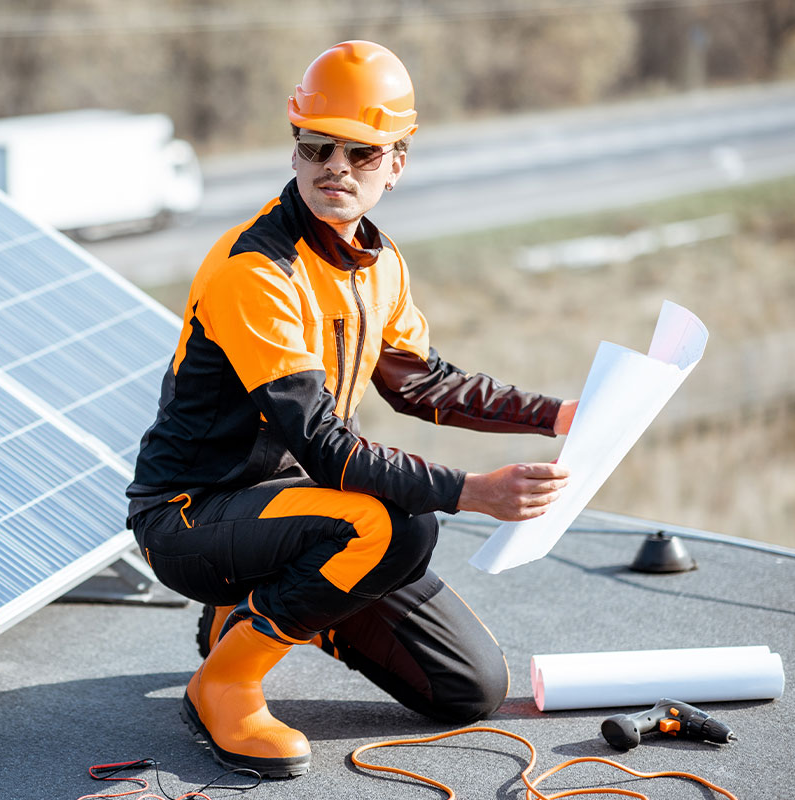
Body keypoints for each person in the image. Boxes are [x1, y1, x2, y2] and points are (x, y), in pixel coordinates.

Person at [125, 40, 576, 779]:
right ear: (296, 145)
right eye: (317, 145)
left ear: (396, 164)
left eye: (362, 153)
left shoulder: (379, 262)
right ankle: (224, 680)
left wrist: (557, 414)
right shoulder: (257, 271)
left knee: (469, 688)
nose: (335, 165)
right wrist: (474, 492)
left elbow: (423, 383)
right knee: (395, 525)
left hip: (287, 515)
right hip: (188, 515)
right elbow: (329, 448)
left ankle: (264, 613)